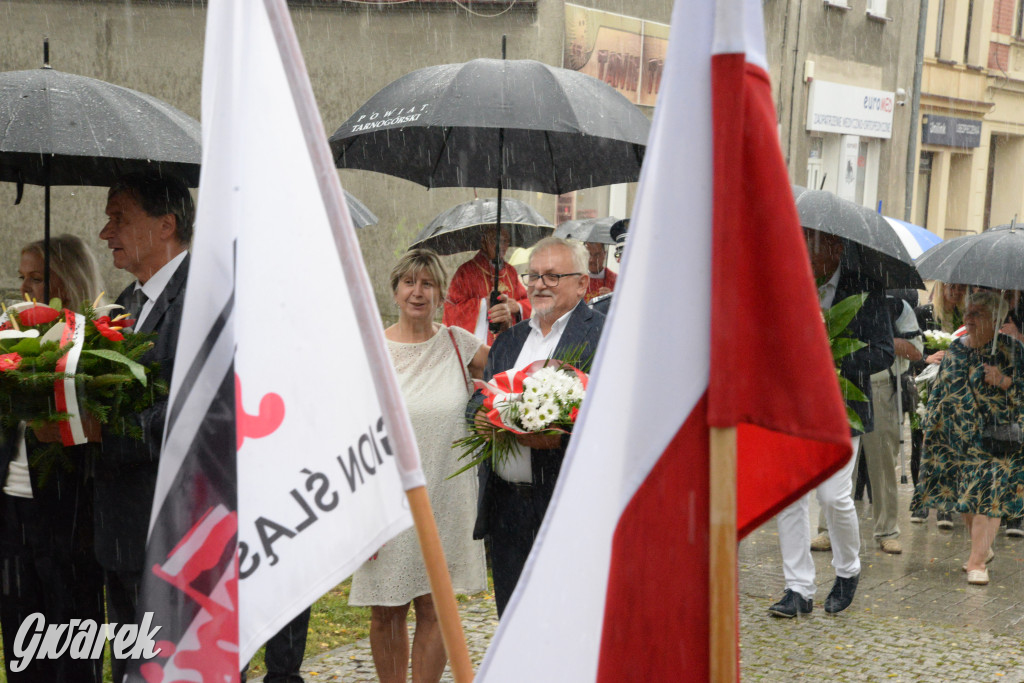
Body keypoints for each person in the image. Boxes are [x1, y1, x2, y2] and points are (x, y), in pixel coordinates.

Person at [350, 249, 489, 683]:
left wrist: (509, 315)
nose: (418, 291)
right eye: (409, 282)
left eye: (428, 283)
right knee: (386, 608)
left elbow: (512, 377)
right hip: (387, 498)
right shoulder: (370, 348)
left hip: (447, 497)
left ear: (441, 292)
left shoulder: (458, 345)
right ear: (394, 290)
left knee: (436, 607)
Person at [470, 237, 605, 616]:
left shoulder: (605, 336)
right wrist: (479, 418)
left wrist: (560, 437)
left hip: (567, 505)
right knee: (512, 619)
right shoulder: (510, 339)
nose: (539, 284)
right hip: (506, 508)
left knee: (566, 620)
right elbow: (479, 397)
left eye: (552, 276)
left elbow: (614, 416)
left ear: (582, 284)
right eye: (533, 276)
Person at [95, 172, 192, 683]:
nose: (106, 233)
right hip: (123, 528)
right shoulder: (122, 305)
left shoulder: (203, 300)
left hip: (175, 530)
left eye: (119, 219)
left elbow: (192, 413)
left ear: (165, 226)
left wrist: (102, 432)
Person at [769, 230, 893, 618]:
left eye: (811, 243)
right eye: (800, 240)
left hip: (844, 407)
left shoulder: (866, 289)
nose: (803, 251)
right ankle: (798, 589)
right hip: (794, 408)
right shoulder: (789, 279)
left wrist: (834, 359)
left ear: (835, 247)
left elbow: (884, 353)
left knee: (833, 496)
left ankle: (848, 570)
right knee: (789, 498)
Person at [0, 235, 106, 682]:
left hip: (68, 507)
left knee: (70, 629)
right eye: (21, 277)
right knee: (20, 636)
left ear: (69, 278)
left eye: (38, 278)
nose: (26, 290)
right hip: (12, 506)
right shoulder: (9, 336)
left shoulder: (94, 338)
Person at [911, 290, 1024, 585]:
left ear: (997, 319)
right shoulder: (956, 348)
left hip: (995, 436)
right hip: (954, 436)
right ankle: (982, 549)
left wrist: (1004, 381)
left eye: (977, 314)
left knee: (989, 495)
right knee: (965, 498)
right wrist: (930, 424)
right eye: (967, 312)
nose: (968, 319)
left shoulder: (1013, 350)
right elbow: (940, 390)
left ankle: (976, 561)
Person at [812, 294, 923, 555]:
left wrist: (884, 341)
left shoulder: (896, 305)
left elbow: (917, 350)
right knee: (839, 461)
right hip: (845, 386)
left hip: (883, 388)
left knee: (882, 462)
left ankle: (887, 531)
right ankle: (828, 530)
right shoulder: (839, 297)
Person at [911, 281, 966, 528]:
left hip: (954, 390)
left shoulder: (965, 318)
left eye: (961, 288)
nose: (955, 292)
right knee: (921, 442)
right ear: (942, 289)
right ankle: (920, 501)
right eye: (951, 287)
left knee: (950, 446)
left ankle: (945, 505)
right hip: (926, 388)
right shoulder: (924, 314)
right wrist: (926, 358)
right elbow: (911, 348)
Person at [443, 227, 531, 344]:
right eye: (496, 240)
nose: (501, 246)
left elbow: (527, 301)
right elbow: (452, 309)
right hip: (479, 346)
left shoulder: (510, 272)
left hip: (508, 343)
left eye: (505, 241)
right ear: (483, 242)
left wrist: (517, 307)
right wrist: (484, 304)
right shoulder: (467, 272)